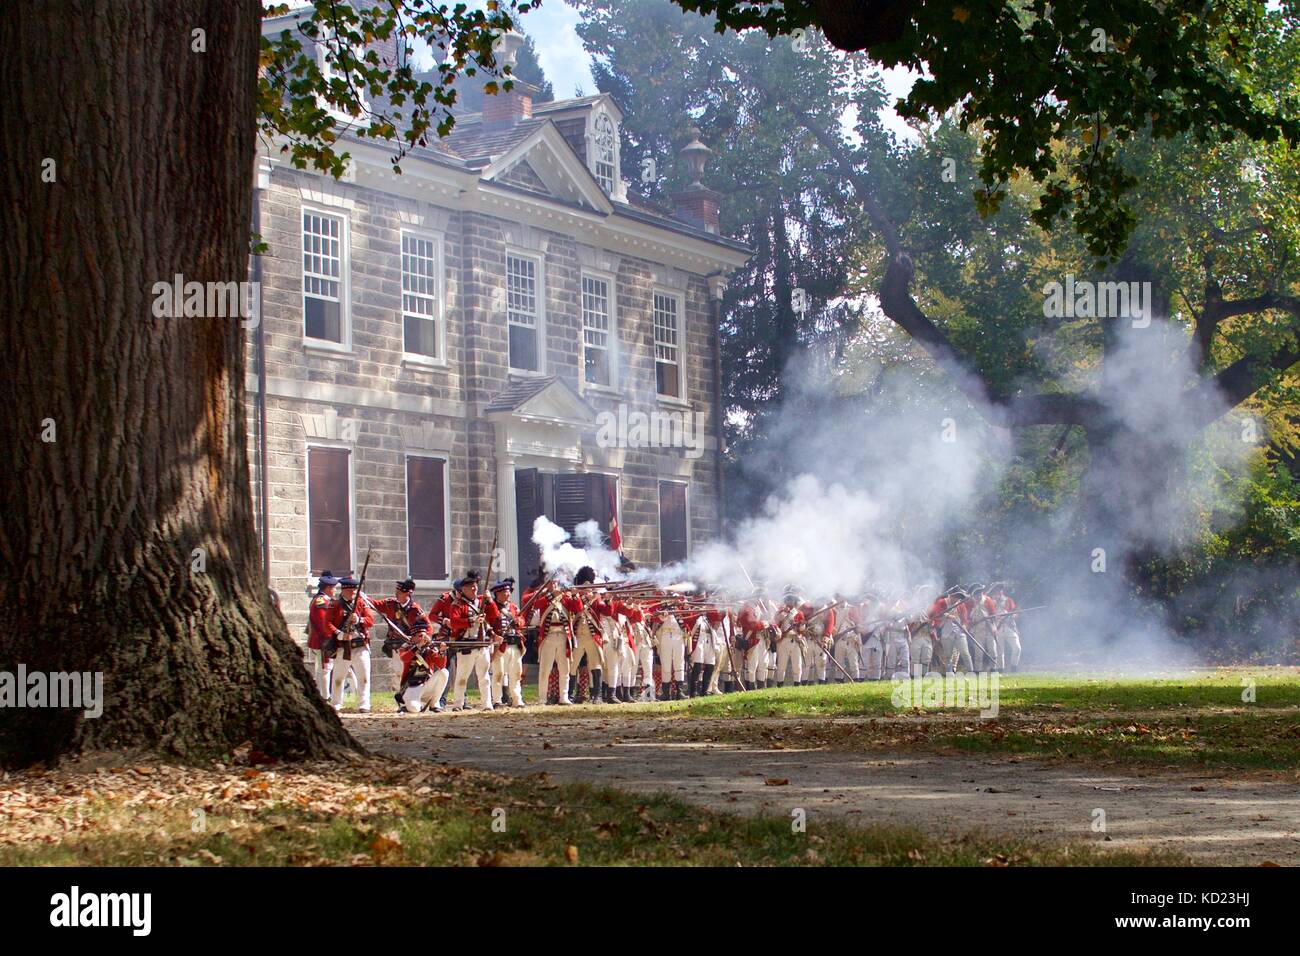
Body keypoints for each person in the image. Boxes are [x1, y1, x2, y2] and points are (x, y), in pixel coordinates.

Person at [445, 571, 497, 711]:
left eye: (475, 587)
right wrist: (472, 620)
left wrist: (490, 600)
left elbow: (495, 616)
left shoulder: (482, 602)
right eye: (471, 587)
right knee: (462, 677)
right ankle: (458, 704)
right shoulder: (457, 605)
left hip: (482, 644)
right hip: (467, 644)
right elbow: (455, 623)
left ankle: (487, 704)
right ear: (463, 590)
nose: (474, 589)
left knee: (484, 677)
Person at [328, 575, 375, 712]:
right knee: (338, 677)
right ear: (343, 590)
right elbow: (327, 623)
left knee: (364, 677)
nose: (353, 593)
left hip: (360, 645)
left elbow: (370, 620)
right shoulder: (335, 604)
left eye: (354, 591)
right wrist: (339, 634)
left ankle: (364, 704)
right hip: (342, 646)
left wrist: (359, 620)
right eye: (350, 591)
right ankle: (336, 703)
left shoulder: (361, 603)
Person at [372, 578, 427, 691]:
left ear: (408, 593)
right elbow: (374, 604)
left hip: (409, 646)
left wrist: (421, 637)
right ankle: (400, 696)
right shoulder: (391, 604)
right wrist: (362, 596)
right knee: (398, 671)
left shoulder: (415, 610)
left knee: (410, 671)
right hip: (396, 644)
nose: (396, 594)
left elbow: (427, 627)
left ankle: (409, 694)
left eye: (400, 592)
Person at [529, 581, 579, 705]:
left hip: (563, 636)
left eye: (556, 583)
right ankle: (542, 699)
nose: (554, 585)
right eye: (552, 583)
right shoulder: (544, 597)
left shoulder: (566, 598)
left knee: (565, 669)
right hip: (548, 636)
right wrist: (551, 595)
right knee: (545, 670)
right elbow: (536, 604)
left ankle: (564, 697)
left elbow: (578, 608)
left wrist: (574, 595)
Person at [394, 617, 449, 714]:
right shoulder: (406, 647)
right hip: (411, 687)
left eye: (424, 636)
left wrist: (442, 652)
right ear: (413, 637)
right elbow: (405, 658)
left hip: (426, 684)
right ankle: (409, 705)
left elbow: (441, 665)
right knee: (414, 709)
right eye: (420, 636)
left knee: (444, 672)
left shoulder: (430, 648)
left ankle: (435, 704)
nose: (423, 639)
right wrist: (418, 647)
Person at [487, 578, 526, 708]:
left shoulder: (513, 607)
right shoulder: (492, 607)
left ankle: (516, 699)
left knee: (516, 674)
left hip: (514, 644)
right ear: (498, 593)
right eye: (505, 592)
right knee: (498, 674)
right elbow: (493, 620)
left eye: (508, 592)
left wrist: (518, 622)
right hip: (501, 645)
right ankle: (497, 700)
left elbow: (522, 621)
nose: (508, 594)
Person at [307, 571, 339, 699]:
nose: (335, 590)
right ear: (328, 588)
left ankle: (323, 695)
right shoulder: (321, 602)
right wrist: (334, 636)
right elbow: (323, 624)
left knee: (324, 668)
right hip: (322, 641)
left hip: (323, 640)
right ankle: (325, 696)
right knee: (325, 668)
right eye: (334, 588)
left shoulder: (325, 600)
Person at [772, 588, 806, 687]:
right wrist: (784, 614)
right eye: (788, 599)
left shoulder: (799, 613)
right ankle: (780, 685)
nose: (790, 601)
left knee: (797, 666)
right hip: (783, 640)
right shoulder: (780, 612)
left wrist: (801, 625)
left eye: (791, 599)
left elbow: (802, 630)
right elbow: (776, 625)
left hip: (795, 640)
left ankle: (797, 685)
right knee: (781, 665)